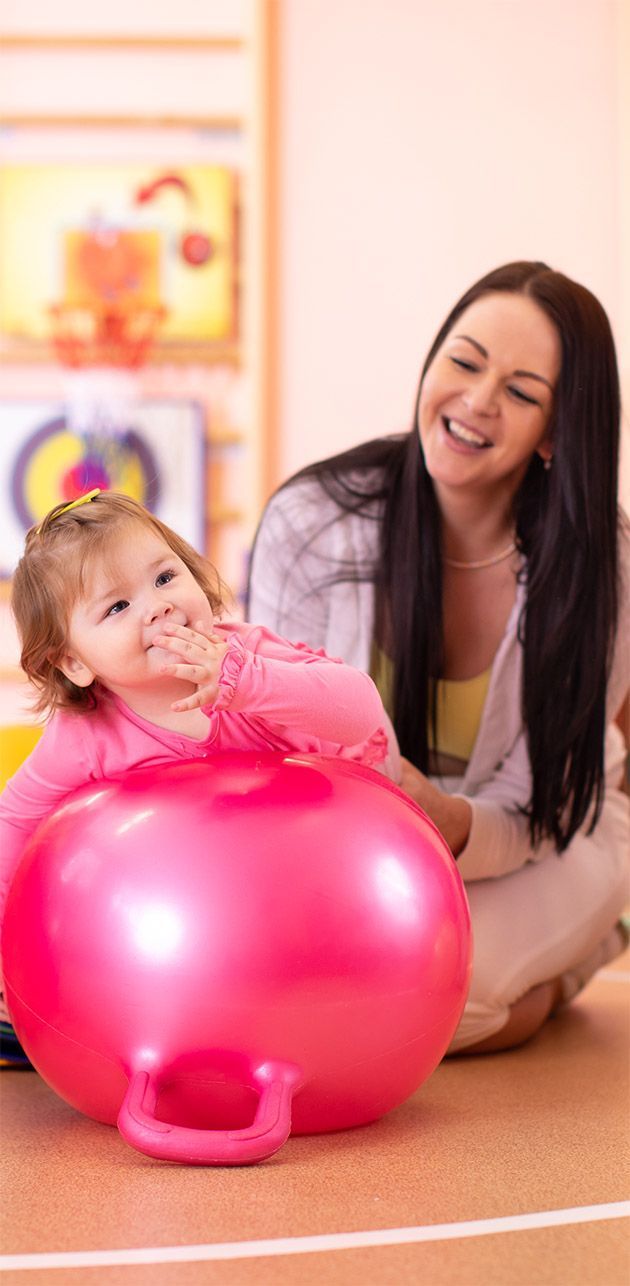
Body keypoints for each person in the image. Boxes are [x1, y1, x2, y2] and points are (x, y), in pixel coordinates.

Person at [248, 260, 630, 1054]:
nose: (477, 401)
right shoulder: (314, 523)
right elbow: (269, 750)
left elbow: (542, 807)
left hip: (551, 839)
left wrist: (444, 821)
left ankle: (570, 960)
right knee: (296, 996)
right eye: (463, 361)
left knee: (424, 1012)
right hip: (362, 858)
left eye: (522, 392)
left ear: (557, 433)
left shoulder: (606, 567)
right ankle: (536, 977)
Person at [0, 488, 396, 1037]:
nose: (158, 605)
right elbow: (17, 819)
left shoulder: (246, 654)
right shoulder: (86, 733)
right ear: (74, 661)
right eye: (117, 607)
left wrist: (247, 682)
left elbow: (360, 713)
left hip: (346, 820)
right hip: (223, 888)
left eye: (164, 578)